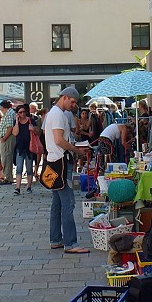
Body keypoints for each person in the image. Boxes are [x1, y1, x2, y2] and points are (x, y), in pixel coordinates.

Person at [43, 86, 89, 254]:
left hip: (54, 162)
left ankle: (55, 239)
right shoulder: (58, 115)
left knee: (57, 203)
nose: (73, 105)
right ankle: (71, 243)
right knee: (68, 203)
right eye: (73, 101)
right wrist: (77, 150)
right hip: (61, 163)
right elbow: (59, 140)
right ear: (65, 97)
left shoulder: (52, 114)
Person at [12, 104, 37, 195]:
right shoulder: (15, 122)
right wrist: (17, 122)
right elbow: (15, 133)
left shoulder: (31, 121)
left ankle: (29, 186)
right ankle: (17, 188)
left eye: (23, 112)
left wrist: (33, 129)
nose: (22, 114)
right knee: (19, 168)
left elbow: (38, 132)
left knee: (29, 168)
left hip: (29, 147)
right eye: (20, 112)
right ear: (17, 114)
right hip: (20, 147)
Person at [0, 100, 17, 186]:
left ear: (3, 107)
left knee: (6, 157)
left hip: (7, 139)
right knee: (6, 157)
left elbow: (10, 127)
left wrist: (4, 137)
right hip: (6, 138)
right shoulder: (10, 113)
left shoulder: (9, 114)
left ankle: (8, 178)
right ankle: (8, 176)